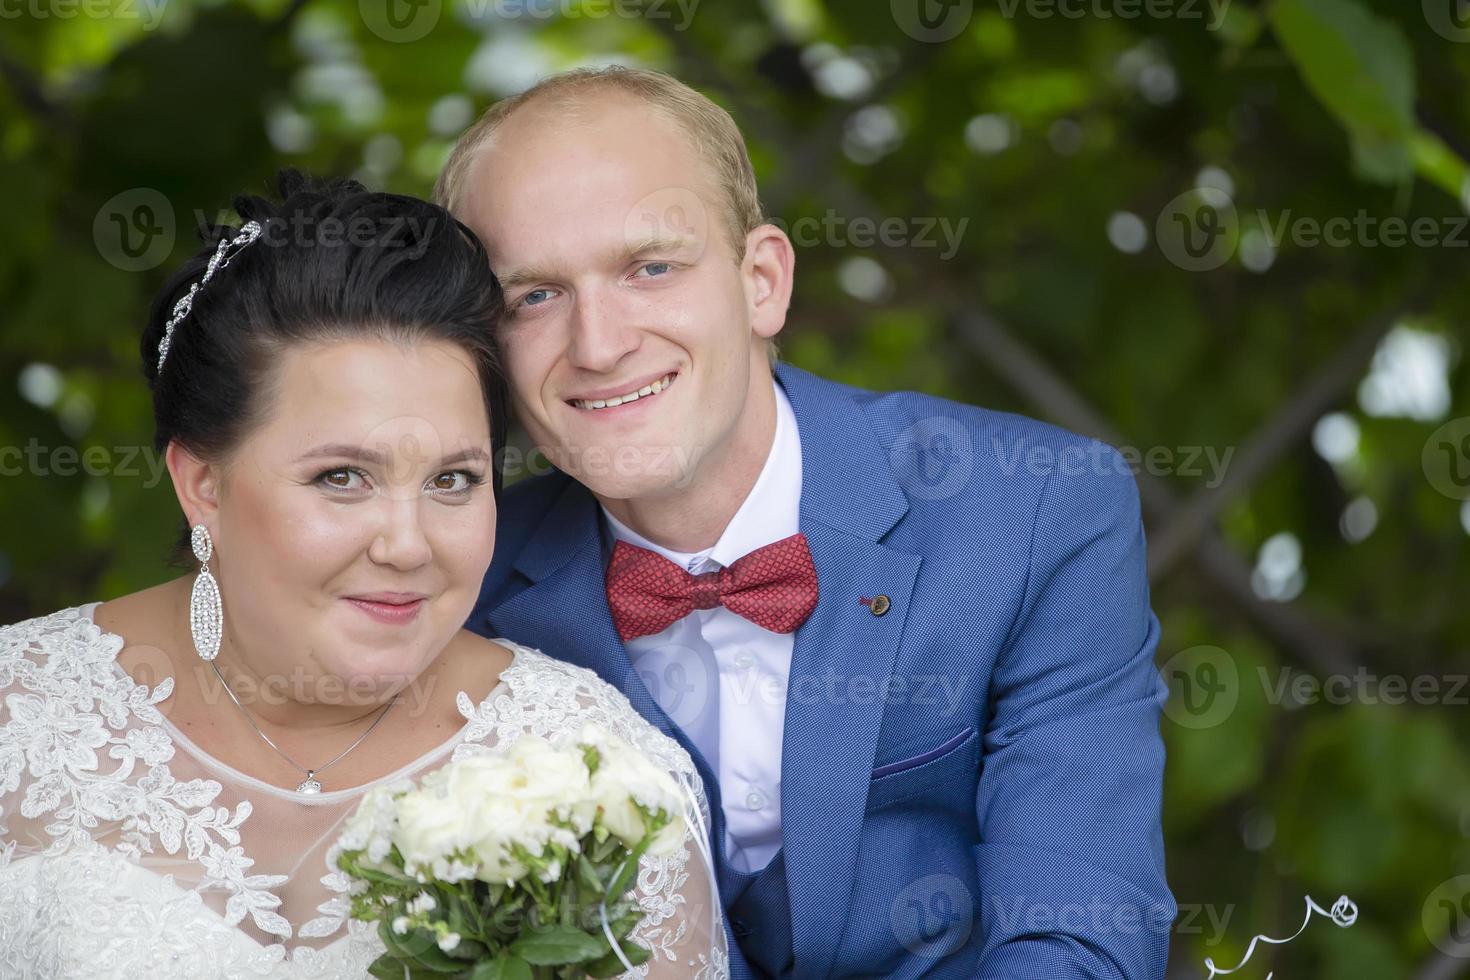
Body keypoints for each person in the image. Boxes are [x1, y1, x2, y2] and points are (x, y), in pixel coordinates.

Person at [446, 67, 1175, 978]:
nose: (598, 344)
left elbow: (1079, 937)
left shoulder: (1036, 512)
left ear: (763, 282)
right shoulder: (456, 582)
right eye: (534, 297)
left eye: (652, 268)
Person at [0, 171, 726, 979]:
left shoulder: (596, 773)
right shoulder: (19, 718)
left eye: (453, 480)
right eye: (342, 477)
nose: (408, 545)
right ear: (202, 483)